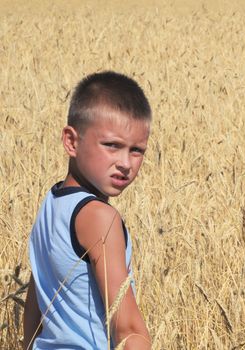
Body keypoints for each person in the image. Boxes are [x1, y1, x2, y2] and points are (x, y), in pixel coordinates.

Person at [23, 71, 152, 350]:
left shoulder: (52, 202)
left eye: (136, 150)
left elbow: (37, 300)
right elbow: (128, 329)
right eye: (112, 145)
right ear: (71, 141)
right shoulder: (100, 218)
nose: (125, 163)